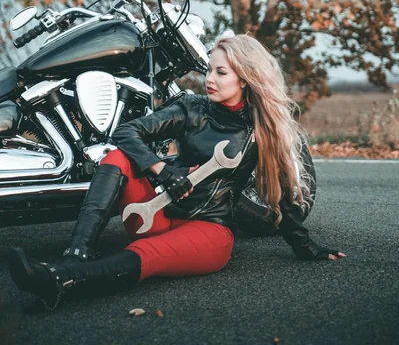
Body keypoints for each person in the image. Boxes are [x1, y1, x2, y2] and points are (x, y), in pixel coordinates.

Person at [8, 34, 346, 310]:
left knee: (147, 256)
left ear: (246, 78)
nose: (209, 79)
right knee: (117, 157)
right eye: (209, 70)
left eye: (221, 73)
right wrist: (160, 170)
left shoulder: (262, 132)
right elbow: (128, 133)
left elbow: (282, 197)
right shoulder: (192, 108)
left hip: (209, 232)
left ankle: (61, 280)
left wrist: (306, 246)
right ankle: (76, 251)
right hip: (154, 214)